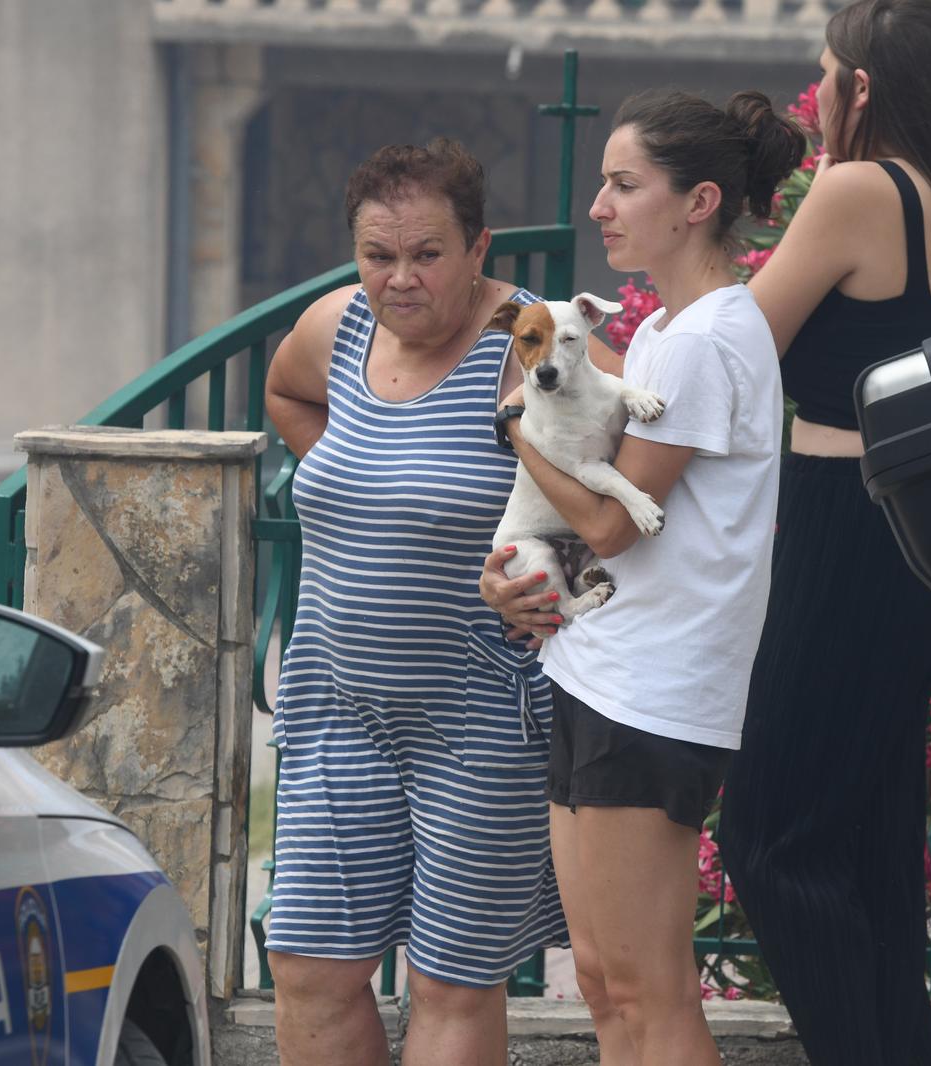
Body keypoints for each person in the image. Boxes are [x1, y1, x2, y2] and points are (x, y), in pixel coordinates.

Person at [260, 137, 612, 1066]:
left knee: (451, 982)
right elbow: (286, 394)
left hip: (479, 716)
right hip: (336, 704)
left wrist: (543, 573)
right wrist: (370, 486)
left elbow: (629, 498)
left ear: (479, 248)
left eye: (426, 255)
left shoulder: (536, 348)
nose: (398, 279)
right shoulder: (332, 328)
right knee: (306, 965)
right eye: (378, 256)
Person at [481, 89, 804, 1066]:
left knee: (646, 993)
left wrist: (514, 433)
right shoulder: (671, 333)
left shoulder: (706, 339)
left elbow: (614, 525)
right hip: (605, 672)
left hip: (654, 694)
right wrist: (524, 585)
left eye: (624, 185)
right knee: (602, 980)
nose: (599, 208)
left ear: (698, 200)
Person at [718, 2, 931, 1063]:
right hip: (905, 543)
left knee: (771, 836)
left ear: (865, 89)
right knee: (862, 849)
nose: (813, 96)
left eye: (825, 74)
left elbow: (738, 349)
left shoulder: (856, 189)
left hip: (847, 538)